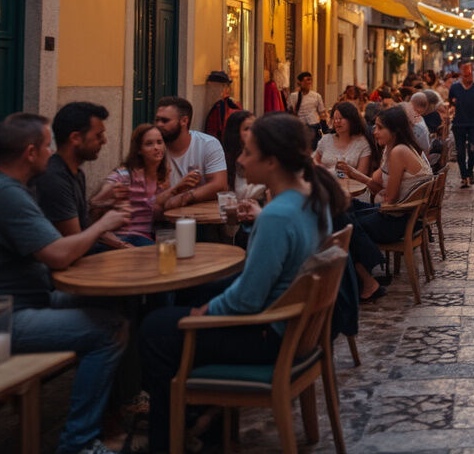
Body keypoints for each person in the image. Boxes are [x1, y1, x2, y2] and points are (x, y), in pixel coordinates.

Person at [141, 113, 344, 454]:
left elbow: (248, 300)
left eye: (247, 152)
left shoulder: (279, 215)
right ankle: (207, 425)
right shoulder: (313, 196)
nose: (239, 158)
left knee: (155, 328)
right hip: (295, 330)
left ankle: (171, 434)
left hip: (268, 336)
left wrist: (206, 313)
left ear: (271, 161)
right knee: (199, 296)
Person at [0, 113, 129, 454]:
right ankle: (79, 442)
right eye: (48, 145)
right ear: (30, 152)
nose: (52, 153)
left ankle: (113, 415)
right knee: (109, 331)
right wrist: (102, 224)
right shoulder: (3, 194)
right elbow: (58, 254)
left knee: (117, 306)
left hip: (21, 304)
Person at [341, 107, 433, 297]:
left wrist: (380, 194)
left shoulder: (398, 152)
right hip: (404, 216)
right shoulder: (400, 148)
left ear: (395, 131)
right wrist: (355, 173)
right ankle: (369, 268)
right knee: (346, 207)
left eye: (380, 128)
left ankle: (368, 282)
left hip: (398, 220)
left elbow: (389, 198)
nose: (374, 132)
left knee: (344, 225)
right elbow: (377, 186)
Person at [32, 102, 124, 250]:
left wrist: (101, 206)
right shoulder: (54, 178)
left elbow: (83, 226)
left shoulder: (77, 173)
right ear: (75, 138)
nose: (104, 140)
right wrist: (104, 224)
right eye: (98, 135)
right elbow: (74, 243)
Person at [97, 123, 188, 246]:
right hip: (122, 238)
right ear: (139, 150)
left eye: (159, 142)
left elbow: (157, 214)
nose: (156, 147)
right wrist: (107, 192)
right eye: (149, 144)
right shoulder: (125, 175)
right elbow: (97, 201)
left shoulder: (162, 177)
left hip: (147, 237)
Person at [154, 96, 228, 205]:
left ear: (184, 121)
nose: (159, 124)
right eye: (157, 120)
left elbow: (219, 185)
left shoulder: (207, 144)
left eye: (165, 121)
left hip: (199, 216)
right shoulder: (153, 147)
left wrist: (185, 197)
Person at [315, 102, 376, 201]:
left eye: (341, 118)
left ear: (351, 120)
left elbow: (361, 174)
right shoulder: (326, 139)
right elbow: (315, 162)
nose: (337, 122)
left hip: (353, 195)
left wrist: (334, 174)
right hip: (327, 190)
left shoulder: (362, 143)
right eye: (335, 118)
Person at [449, 63, 474, 188]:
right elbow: (451, 104)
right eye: (465, 75)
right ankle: (464, 176)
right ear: (461, 74)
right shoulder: (454, 88)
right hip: (458, 123)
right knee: (460, 151)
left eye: (469, 74)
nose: (467, 77)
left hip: (473, 123)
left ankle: (470, 170)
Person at [220, 110, 255, 191]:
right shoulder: (224, 160)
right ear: (235, 133)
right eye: (247, 128)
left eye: (256, 126)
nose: (253, 131)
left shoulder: (263, 156)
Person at [288, 71, 327, 139]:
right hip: (300, 127)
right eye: (306, 80)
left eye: (310, 80)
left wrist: (324, 127)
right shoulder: (293, 96)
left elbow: (322, 113)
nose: (309, 82)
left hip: (313, 126)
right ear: (300, 82)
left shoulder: (316, 96)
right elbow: (290, 112)